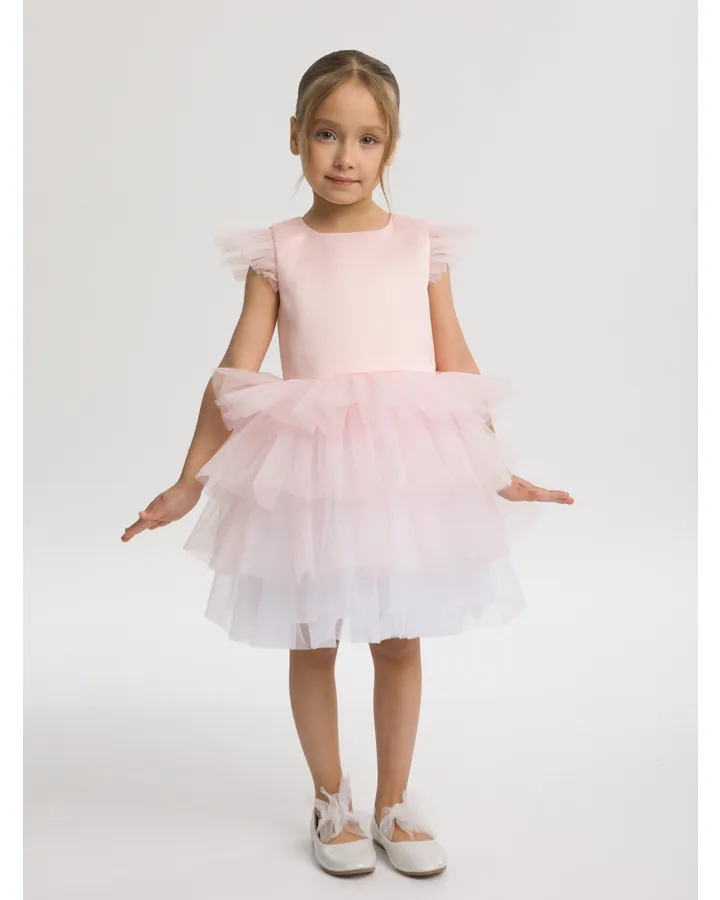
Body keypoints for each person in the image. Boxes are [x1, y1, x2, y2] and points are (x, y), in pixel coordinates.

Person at [121, 49, 574, 878]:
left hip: (402, 472)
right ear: (295, 135)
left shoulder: (419, 246)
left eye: (368, 140)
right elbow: (234, 375)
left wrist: (495, 465)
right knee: (315, 637)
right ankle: (331, 799)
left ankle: (393, 804)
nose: (345, 158)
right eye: (327, 135)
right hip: (313, 474)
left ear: (390, 146)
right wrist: (188, 481)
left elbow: (455, 361)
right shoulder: (279, 252)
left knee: (398, 639)